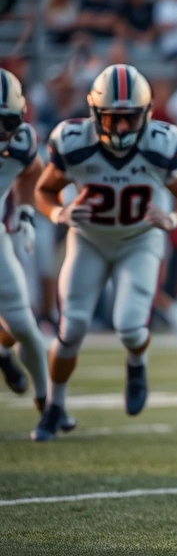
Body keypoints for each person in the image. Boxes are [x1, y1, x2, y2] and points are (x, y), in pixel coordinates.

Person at [32, 64, 177, 441]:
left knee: (128, 325)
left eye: (129, 118)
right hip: (88, 239)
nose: (122, 128)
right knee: (71, 328)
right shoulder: (73, 141)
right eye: (113, 118)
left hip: (139, 241)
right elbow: (43, 191)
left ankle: (136, 362)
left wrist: (172, 218)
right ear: (95, 113)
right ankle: (54, 406)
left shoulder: (160, 144)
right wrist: (59, 211)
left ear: (145, 115)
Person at [0, 69, 65, 430]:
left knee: (24, 323)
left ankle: (47, 403)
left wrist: (24, 213)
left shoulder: (20, 141)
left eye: (4, 121)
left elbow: (31, 170)